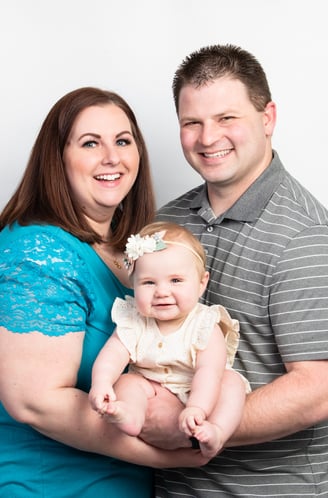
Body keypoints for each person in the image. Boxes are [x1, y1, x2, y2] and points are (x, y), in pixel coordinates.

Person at [0, 87, 206, 498]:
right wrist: (171, 454)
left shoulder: (129, 251)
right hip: (52, 487)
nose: (112, 157)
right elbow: (32, 402)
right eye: (90, 143)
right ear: (57, 158)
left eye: (123, 141)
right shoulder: (38, 251)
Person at [142, 44, 328, 496]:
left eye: (227, 118)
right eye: (193, 123)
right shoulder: (169, 222)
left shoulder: (304, 234)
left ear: (267, 118)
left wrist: (187, 424)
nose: (208, 138)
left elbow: (318, 387)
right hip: (171, 487)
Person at [89, 221, 249, 459]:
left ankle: (217, 431)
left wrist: (197, 407)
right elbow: (112, 355)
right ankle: (130, 414)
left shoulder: (205, 323)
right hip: (150, 390)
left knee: (231, 383)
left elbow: (209, 372)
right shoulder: (134, 321)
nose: (162, 291)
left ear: (201, 283)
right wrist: (100, 383)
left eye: (175, 281)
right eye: (149, 282)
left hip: (201, 390)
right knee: (127, 383)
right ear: (133, 284)